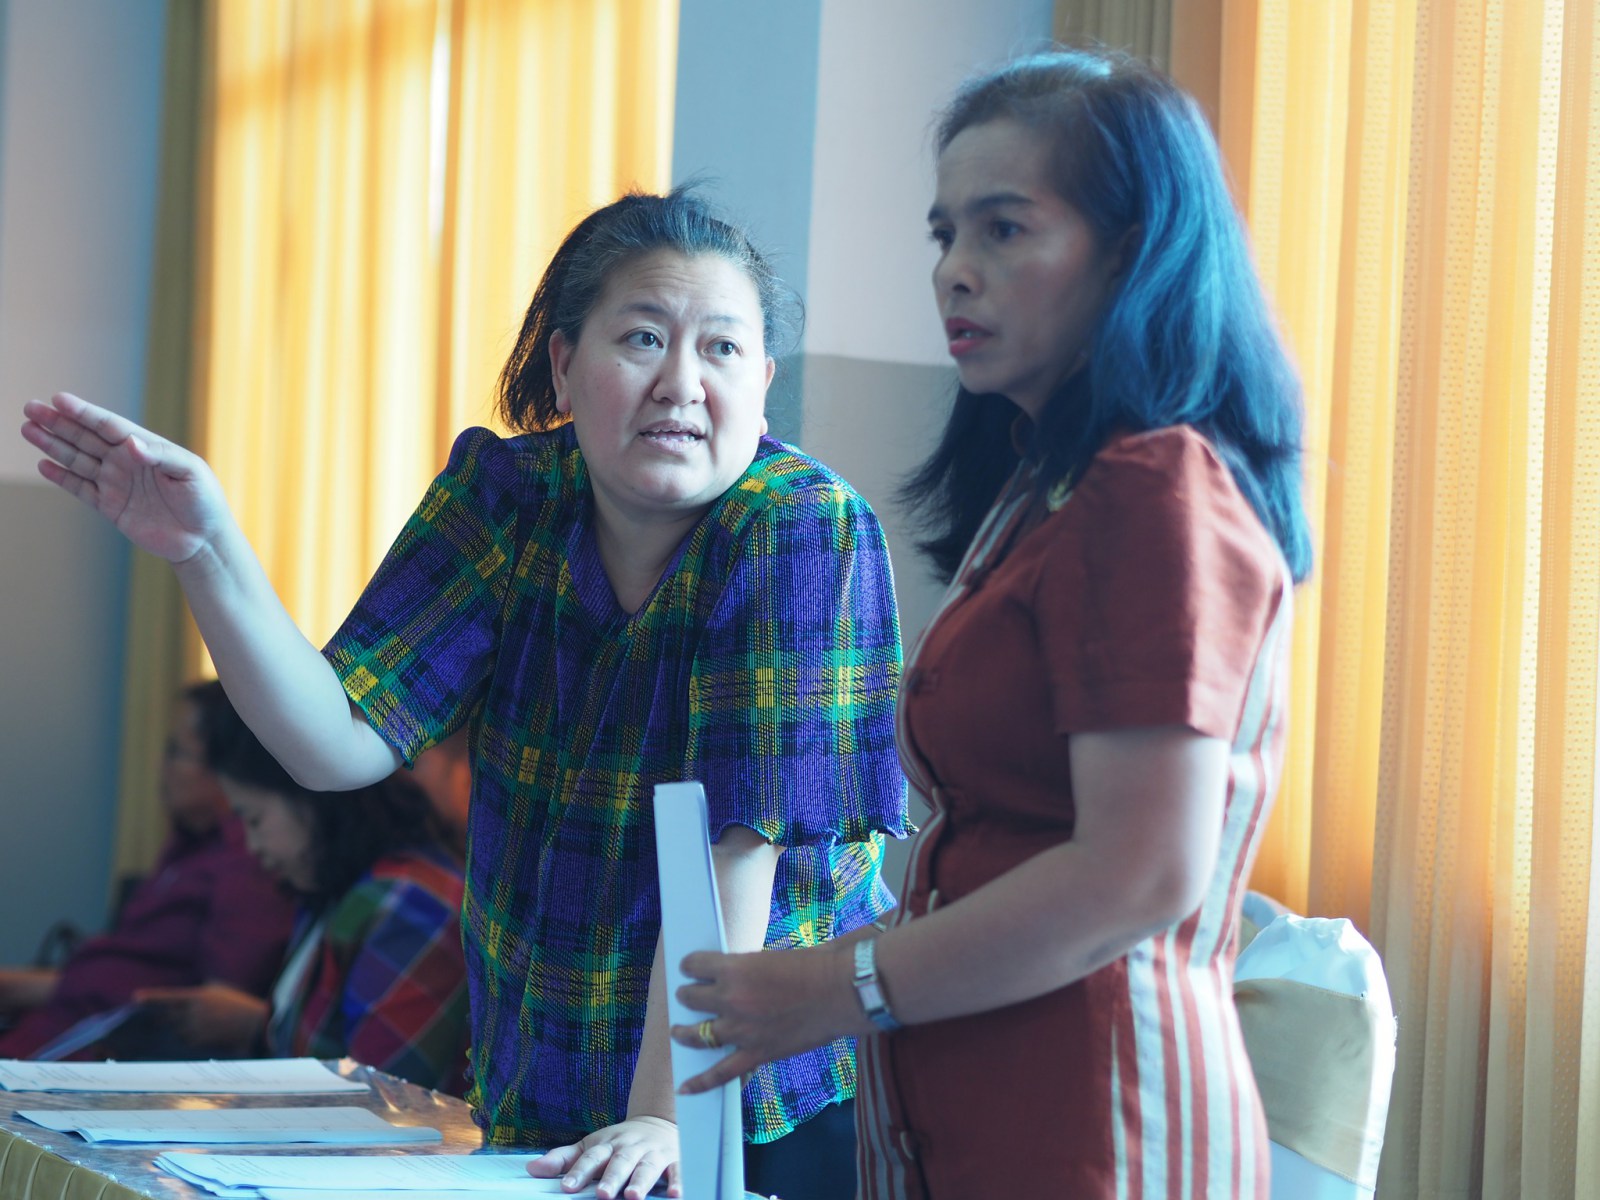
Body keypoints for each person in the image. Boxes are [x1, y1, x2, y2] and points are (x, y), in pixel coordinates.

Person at [20, 189, 907, 1200]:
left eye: (722, 350)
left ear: (763, 383)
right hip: (545, 1087)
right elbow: (338, 739)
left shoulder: (798, 527)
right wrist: (207, 550)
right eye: (643, 338)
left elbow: (733, 850)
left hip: (757, 1098)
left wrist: (668, 1114)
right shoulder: (508, 497)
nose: (681, 384)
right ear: (563, 365)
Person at [667, 49, 1314, 1199]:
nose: (954, 272)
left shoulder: (1155, 489)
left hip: (1098, 1123)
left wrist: (842, 987)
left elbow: (1137, 872)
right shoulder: (1041, 486)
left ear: (1130, 253)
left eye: (1004, 230)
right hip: (971, 1118)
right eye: (944, 235)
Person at [133, 698, 471, 1093]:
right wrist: (255, 1025)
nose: (252, 846)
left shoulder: (408, 906)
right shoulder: (333, 889)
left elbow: (380, 1099)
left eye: (255, 819)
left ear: (312, 801)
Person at [0, 680, 294, 1060]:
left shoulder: (247, 861)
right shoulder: (187, 844)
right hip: (58, 1024)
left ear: (226, 766)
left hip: (95, 1053)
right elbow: (121, 972)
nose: (161, 767)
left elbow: (206, 1007)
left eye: (176, 752)